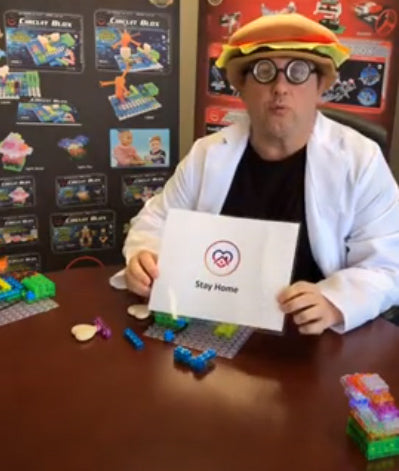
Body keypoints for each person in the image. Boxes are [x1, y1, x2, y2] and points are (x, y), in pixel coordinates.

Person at [116, 13, 399, 335]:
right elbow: (156, 221)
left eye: (298, 72)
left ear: (320, 85)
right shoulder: (206, 154)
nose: (280, 87)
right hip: (216, 321)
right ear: (243, 87)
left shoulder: (361, 160)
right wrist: (144, 255)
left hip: (309, 334)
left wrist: (335, 302)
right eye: (264, 72)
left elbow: (388, 263)